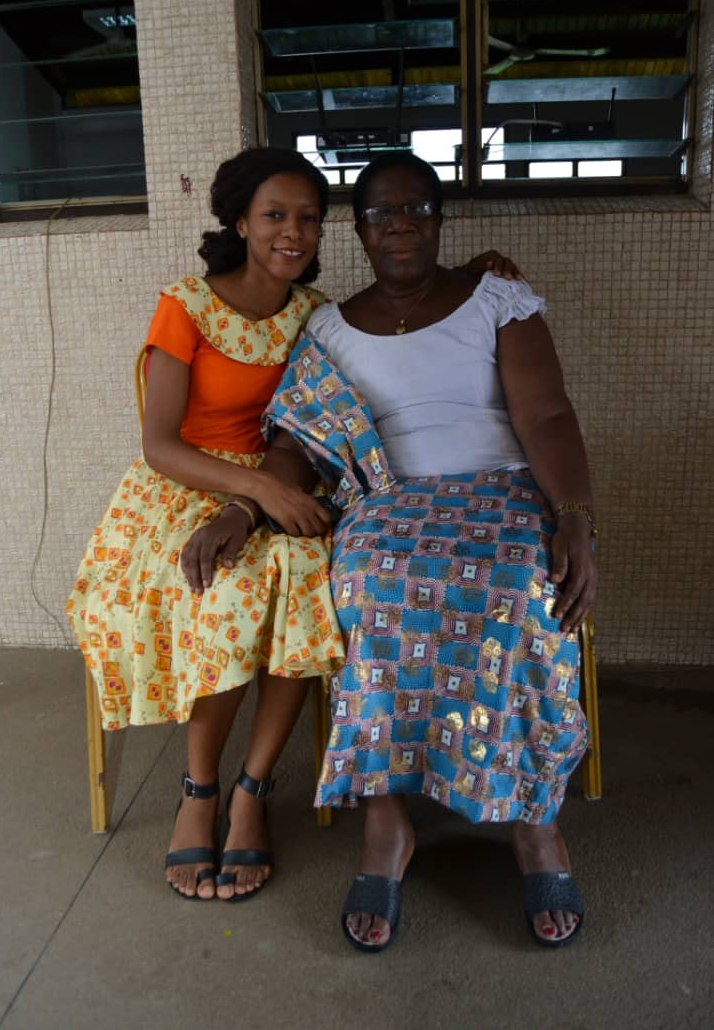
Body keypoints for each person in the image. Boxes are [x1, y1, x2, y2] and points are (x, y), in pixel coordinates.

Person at [67, 146, 520, 905]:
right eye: (274, 215)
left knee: (310, 580)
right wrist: (252, 493)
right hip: (185, 486)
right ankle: (199, 789)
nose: (293, 232)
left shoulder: (316, 315)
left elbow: (395, 314)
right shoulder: (186, 304)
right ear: (240, 222)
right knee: (228, 588)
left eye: (308, 218)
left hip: (289, 479)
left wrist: (472, 273)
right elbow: (160, 444)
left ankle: (253, 787)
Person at [190, 151, 596, 949]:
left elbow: (546, 416)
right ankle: (385, 823)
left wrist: (575, 517)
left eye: (416, 208)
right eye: (381, 212)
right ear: (359, 230)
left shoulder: (497, 300)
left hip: (500, 489)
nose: (400, 224)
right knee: (368, 587)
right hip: (386, 499)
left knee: (523, 583)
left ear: (439, 219)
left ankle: (533, 821)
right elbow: (296, 442)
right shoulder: (329, 330)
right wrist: (241, 508)